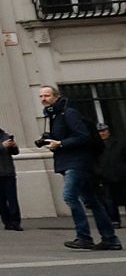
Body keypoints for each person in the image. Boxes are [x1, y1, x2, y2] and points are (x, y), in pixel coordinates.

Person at [38, 85, 120, 251]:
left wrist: (60, 143)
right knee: (93, 202)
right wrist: (48, 140)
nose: (43, 99)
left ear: (56, 96)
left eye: (46, 95)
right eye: (41, 96)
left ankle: (84, 237)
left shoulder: (68, 113)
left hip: (77, 163)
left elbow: (82, 136)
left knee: (69, 196)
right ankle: (110, 239)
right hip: (70, 162)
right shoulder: (53, 115)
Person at [98, 122, 126, 223]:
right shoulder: (96, 146)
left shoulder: (119, 142)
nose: (102, 133)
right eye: (100, 132)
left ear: (108, 131)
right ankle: (115, 221)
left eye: (104, 131)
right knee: (110, 200)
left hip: (121, 174)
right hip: (105, 176)